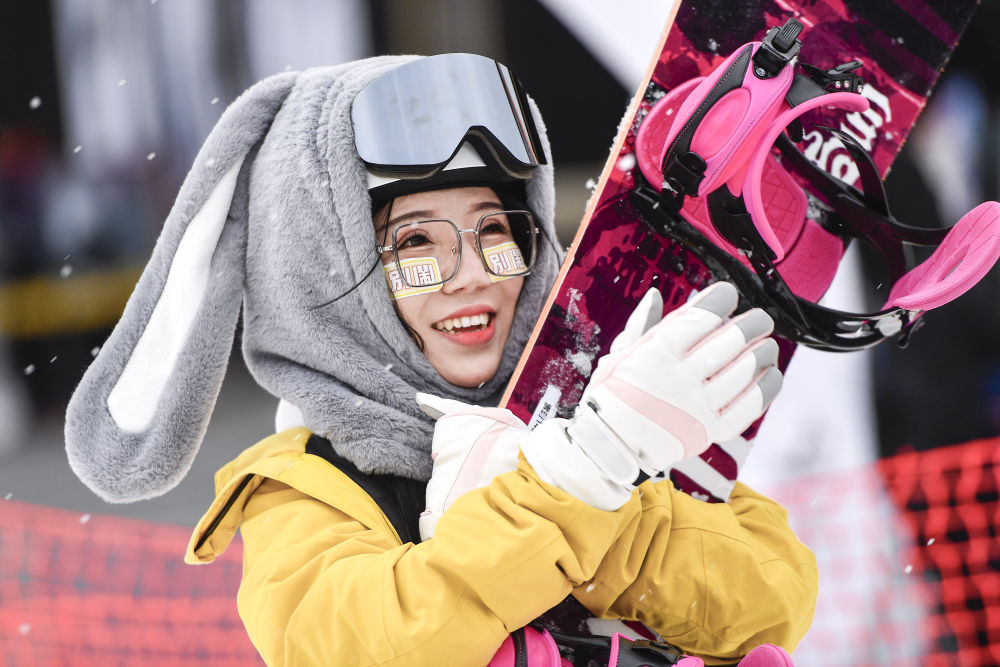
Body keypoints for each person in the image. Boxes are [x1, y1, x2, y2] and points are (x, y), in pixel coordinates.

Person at [64, 54, 817, 665]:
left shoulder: (600, 400)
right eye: (416, 243)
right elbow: (367, 648)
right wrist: (581, 474)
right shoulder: (305, 489)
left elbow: (777, 602)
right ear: (322, 271)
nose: (472, 275)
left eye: (495, 229)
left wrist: (607, 463)